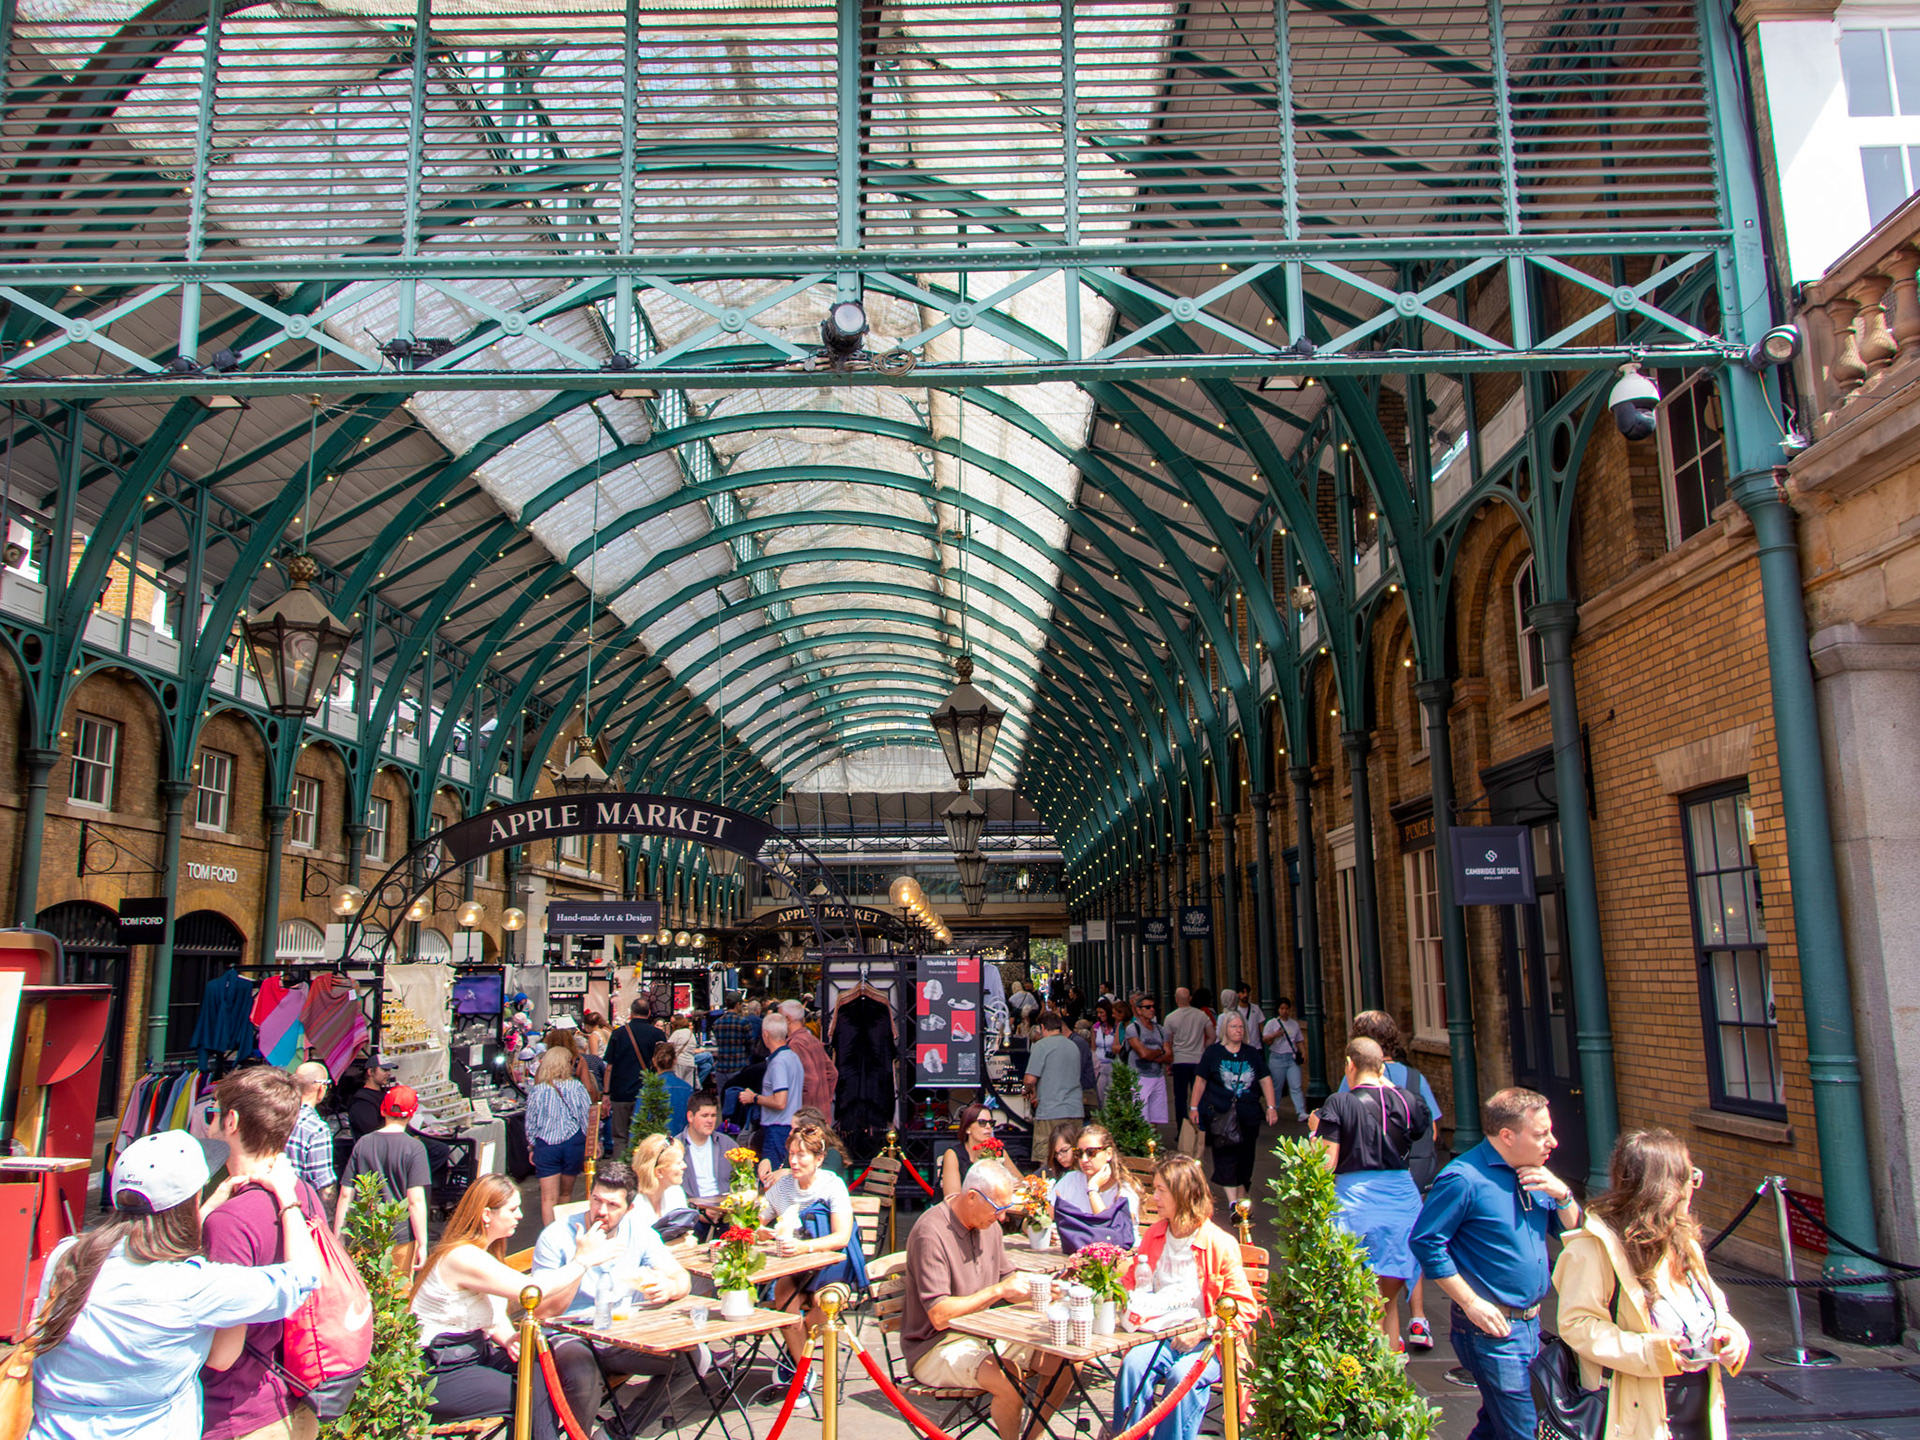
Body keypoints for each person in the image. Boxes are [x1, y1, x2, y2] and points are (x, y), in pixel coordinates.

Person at [27, 1131, 320, 1440]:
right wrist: (288, 1199)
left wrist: (202, 1210)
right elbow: (302, 1279)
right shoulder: (194, 1287)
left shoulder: (66, 1258)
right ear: (191, 1199)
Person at [1554, 1130, 1750, 1440]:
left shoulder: (1684, 1241)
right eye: (1688, 1177)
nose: (1693, 1187)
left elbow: (1717, 1307)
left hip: (1699, 1404)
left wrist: (1732, 1336)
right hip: (1637, 1410)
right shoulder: (1592, 1249)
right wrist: (1653, 1352)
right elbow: (1578, 1326)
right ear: (1663, 1187)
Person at [1411, 1087, 1583, 1440]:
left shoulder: (1536, 1175)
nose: (1552, 1142)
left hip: (1531, 1326)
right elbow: (1426, 1242)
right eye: (1540, 1134)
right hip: (1492, 1332)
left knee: (1496, 1424)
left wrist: (1562, 1195)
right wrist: (1470, 1302)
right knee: (1524, 1429)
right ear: (1507, 1135)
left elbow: (1573, 1232)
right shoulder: (1463, 1180)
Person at [412, 1176, 614, 1440]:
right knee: (529, 1395)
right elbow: (530, 1292)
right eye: (512, 1209)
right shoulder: (462, 1256)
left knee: (543, 1369)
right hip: (436, 1372)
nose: (520, 1215)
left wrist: (508, 1338)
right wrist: (581, 1262)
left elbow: (491, 1312)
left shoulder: (482, 1252)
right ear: (487, 1214)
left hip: (470, 1356)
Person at [201, 1067, 333, 1440]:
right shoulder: (301, 1194)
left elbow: (222, 1354)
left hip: (238, 1413)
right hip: (296, 1393)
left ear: (232, 1120)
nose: (210, 1123)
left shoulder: (231, 1221)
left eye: (214, 1112)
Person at [901, 1159, 1069, 1440]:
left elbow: (1008, 1282)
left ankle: (1033, 1436)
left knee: (1066, 1358)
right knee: (1009, 1378)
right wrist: (997, 1291)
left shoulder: (989, 1225)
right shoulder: (930, 1233)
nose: (1003, 1217)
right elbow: (940, 1316)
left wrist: (1043, 1290)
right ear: (971, 1197)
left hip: (986, 1334)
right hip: (936, 1346)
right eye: (999, 1208)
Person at [529, 1160, 694, 1430]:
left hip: (621, 1333)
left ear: (629, 1208)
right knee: (583, 1377)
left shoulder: (639, 1232)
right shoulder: (557, 1236)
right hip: (569, 1333)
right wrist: (581, 1262)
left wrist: (670, 1287)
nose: (601, 1211)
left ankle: (616, 1434)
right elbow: (543, 1311)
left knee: (694, 1359)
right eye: (596, 1201)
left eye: (613, 1205)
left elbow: (681, 1278)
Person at [1112, 1153, 1255, 1440]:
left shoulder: (1219, 1244)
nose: (1155, 1198)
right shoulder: (1154, 1235)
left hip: (1207, 1343)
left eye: (1162, 1190)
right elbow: (1129, 1285)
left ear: (1184, 1194)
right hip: (1156, 1335)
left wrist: (1203, 1330)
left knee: (1181, 1379)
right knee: (1131, 1367)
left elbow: (1245, 1309)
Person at [1313, 1037, 1431, 1351]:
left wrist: (1316, 1131)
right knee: (1385, 1300)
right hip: (1401, 1201)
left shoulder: (1337, 1104)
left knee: (1363, 1302)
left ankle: (1369, 1381)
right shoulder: (1407, 1101)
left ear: (1349, 1065)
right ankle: (1391, 1379)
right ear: (1380, 1067)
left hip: (1356, 1204)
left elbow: (1325, 1165)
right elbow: (1420, 1129)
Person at [1343, 1008, 1444, 1347]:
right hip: (1412, 1173)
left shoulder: (1353, 1077)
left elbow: (1344, 1125)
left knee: (1376, 1254)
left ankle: (1379, 1332)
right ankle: (1419, 1318)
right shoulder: (1414, 1079)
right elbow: (1431, 1129)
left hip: (1374, 1181)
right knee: (1408, 1245)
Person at [757, 1122, 859, 1392]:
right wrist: (761, 1232)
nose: (793, 1161)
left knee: (821, 1304)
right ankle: (803, 1373)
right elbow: (755, 1222)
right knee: (783, 1297)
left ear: (819, 1159)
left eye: (801, 1155)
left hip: (830, 1267)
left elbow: (841, 1238)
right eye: (791, 1154)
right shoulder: (784, 1187)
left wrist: (804, 1247)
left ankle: (794, 1357)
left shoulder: (832, 1186)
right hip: (795, 1268)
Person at [336, 1083, 431, 1273]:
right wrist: (423, 1243)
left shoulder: (363, 1143)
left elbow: (346, 1194)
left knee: (366, 1291)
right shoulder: (415, 1148)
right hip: (399, 1234)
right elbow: (416, 1200)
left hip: (365, 1231)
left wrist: (338, 1236)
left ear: (382, 1110)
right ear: (412, 1114)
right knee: (396, 1294)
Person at [1188, 1011, 1278, 1206]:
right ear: (1224, 1030)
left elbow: (1265, 1079)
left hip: (1248, 1113)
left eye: (1240, 1027)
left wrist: (1271, 1106)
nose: (1238, 1031)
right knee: (1225, 1156)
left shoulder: (1251, 1053)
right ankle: (1233, 1203)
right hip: (1220, 1114)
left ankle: (1242, 1195)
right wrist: (1194, 1106)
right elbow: (1201, 1080)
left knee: (1246, 1157)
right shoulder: (1213, 1052)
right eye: (1233, 1027)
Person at [527, 1044, 594, 1226]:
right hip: (573, 1143)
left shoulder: (538, 1090)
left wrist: (532, 1146)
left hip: (546, 1145)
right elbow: (586, 1117)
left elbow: (531, 1123)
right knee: (566, 1193)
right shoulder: (577, 1087)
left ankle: (549, 1236)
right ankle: (563, 1232)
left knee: (548, 1197)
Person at [1048, 1122, 1139, 1253]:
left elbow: (1109, 1233)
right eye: (1079, 1153)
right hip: (1078, 1256)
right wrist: (1044, 1231)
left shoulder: (1124, 1191)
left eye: (1091, 1152)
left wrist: (1093, 1190)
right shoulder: (1070, 1180)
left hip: (1121, 1259)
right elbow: (1039, 1219)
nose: (1084, 1159)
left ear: (1108, 1153)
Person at [739, 1012, 803, 1167]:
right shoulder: (793, 1057)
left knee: (773, 1177)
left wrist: (753, 1098)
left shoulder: (778, 1063)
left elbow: (780, 1101)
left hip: (777, 1128)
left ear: (765, 1034)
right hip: (791, 1125)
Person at [607, 1000, 668, 1154]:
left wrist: (606, 1093)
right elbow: (664, 1064)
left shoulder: (618, 1033)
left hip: (620, 1093)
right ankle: (643, 1171)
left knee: (620, 1136)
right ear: (648, 1013)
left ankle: (621, 1172)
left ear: (631, 1013)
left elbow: (609, 1067)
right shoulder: (657, 1034)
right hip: (648, 1092)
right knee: (647, 1136)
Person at [1023, 1010, 1085, 1159]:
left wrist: (1029, 1090)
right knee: (1073, 1157)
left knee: (1047, 1157)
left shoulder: (1041, 1045)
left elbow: (1030, 1079)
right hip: (1075, 1110)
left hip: (1050, 1111)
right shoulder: (1073, 1045)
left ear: (1042, 1027)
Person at [1162, 988, 1214, 1158]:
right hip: (1198, 1060)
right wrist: (1205, 1050)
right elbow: (1212, 1035)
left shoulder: (1170, 1018)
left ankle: (1182, 1131)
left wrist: (1171, 1057)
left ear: (1176, 999)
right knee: (1200, 1097)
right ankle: (1203, 1130)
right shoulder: (1201, 1016)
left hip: (1180, 1061)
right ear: (1190, 998)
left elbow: (1167, 1041)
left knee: (1180, 1098)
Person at [778, 999, 839, 1122]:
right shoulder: (811, 1039)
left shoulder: (795, 1044)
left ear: (787, 1019)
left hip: (809, 1119)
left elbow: (811, 1081)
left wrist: (803, 1113)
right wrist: (825, 1099)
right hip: (821, 1114)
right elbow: (832, 1073)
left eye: (779, 1018)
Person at [284, 1062, 337, 1201]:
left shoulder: (276, 1117)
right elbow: (325, 1187)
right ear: (322, 1088)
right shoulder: (316, 1128)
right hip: (301, 1208)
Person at [677, 1093, 728, 1226]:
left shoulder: (728, 1145)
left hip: (725, 1212)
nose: (710, 1121)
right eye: (704, 1116)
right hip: (691, 1214)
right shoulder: (675, 1147)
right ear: (690, 1117)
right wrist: (698, 1213)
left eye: (713, 1115)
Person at [1123, 994, 1173, 1127]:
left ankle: (1152, 1145)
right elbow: (1143, 1054)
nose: (1152, 1010)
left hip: (1157, 1076)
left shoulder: (1161, 1030)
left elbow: (1169, 1056)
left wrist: (1154, 1055)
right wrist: (1160, 1051)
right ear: (1138, 1010)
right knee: (1140, 1116)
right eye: (1147, 1007)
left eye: (1153, 1007)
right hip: (1139, 1076)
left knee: (1156, 1118)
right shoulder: (1133, 1029)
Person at [939, 1103, 1007, 1200]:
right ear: (968, 1128)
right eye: (982, 1122)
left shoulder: (996, 1150)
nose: (988, 1127)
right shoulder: (953, 1154)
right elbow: (952, 1199)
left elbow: (1021, 1181)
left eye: (991, 1123)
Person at [628, 1134, 691, 1228]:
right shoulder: (634, 1203)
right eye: (678, 1163)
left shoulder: (676, 1192)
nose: (684, 1166)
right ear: (659, 1171)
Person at [1261, 998, 1306, 1123]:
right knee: (1277, 1086)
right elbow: (1265, 1039)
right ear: (1278, 1010)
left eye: (1286, 1008)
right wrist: (1275, 1035)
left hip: (1291, 1058)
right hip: (1277, 1058)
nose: (1284, 1011)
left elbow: (1299, 1040)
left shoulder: (1294, 1024)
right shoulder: (1272, 1023)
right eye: (1282, 1009)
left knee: (1296, 1086)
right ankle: (1273, 1109)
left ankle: (1301, 1112)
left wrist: (1303, 1052)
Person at [709, 994, 760, 1099]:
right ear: (738, 1004)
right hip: (738, 1067)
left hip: (721, 1068)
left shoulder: (717, 1023)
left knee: (723, 1100)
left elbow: (717, 1043)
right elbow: (750, 1045)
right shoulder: (744, 1022)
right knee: (738, 1101)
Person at [652, 1042, 694, 1135]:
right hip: (681, 1142)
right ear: (675, 1060)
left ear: (654, 1061)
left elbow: (639, 1123)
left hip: (655, 1144)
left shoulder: (649, 1089)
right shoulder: (687, 1088)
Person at [1091, 1001, 1119, 1105]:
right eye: (1098, 1013)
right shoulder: (1096, 1027)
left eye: (1102, 1012)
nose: (1099, 1015)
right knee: (1099, 1096)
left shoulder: (1116, 1027)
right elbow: (1093, 1048)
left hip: (1112, 1064)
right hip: (1100, 1065)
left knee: (1113, 1096)